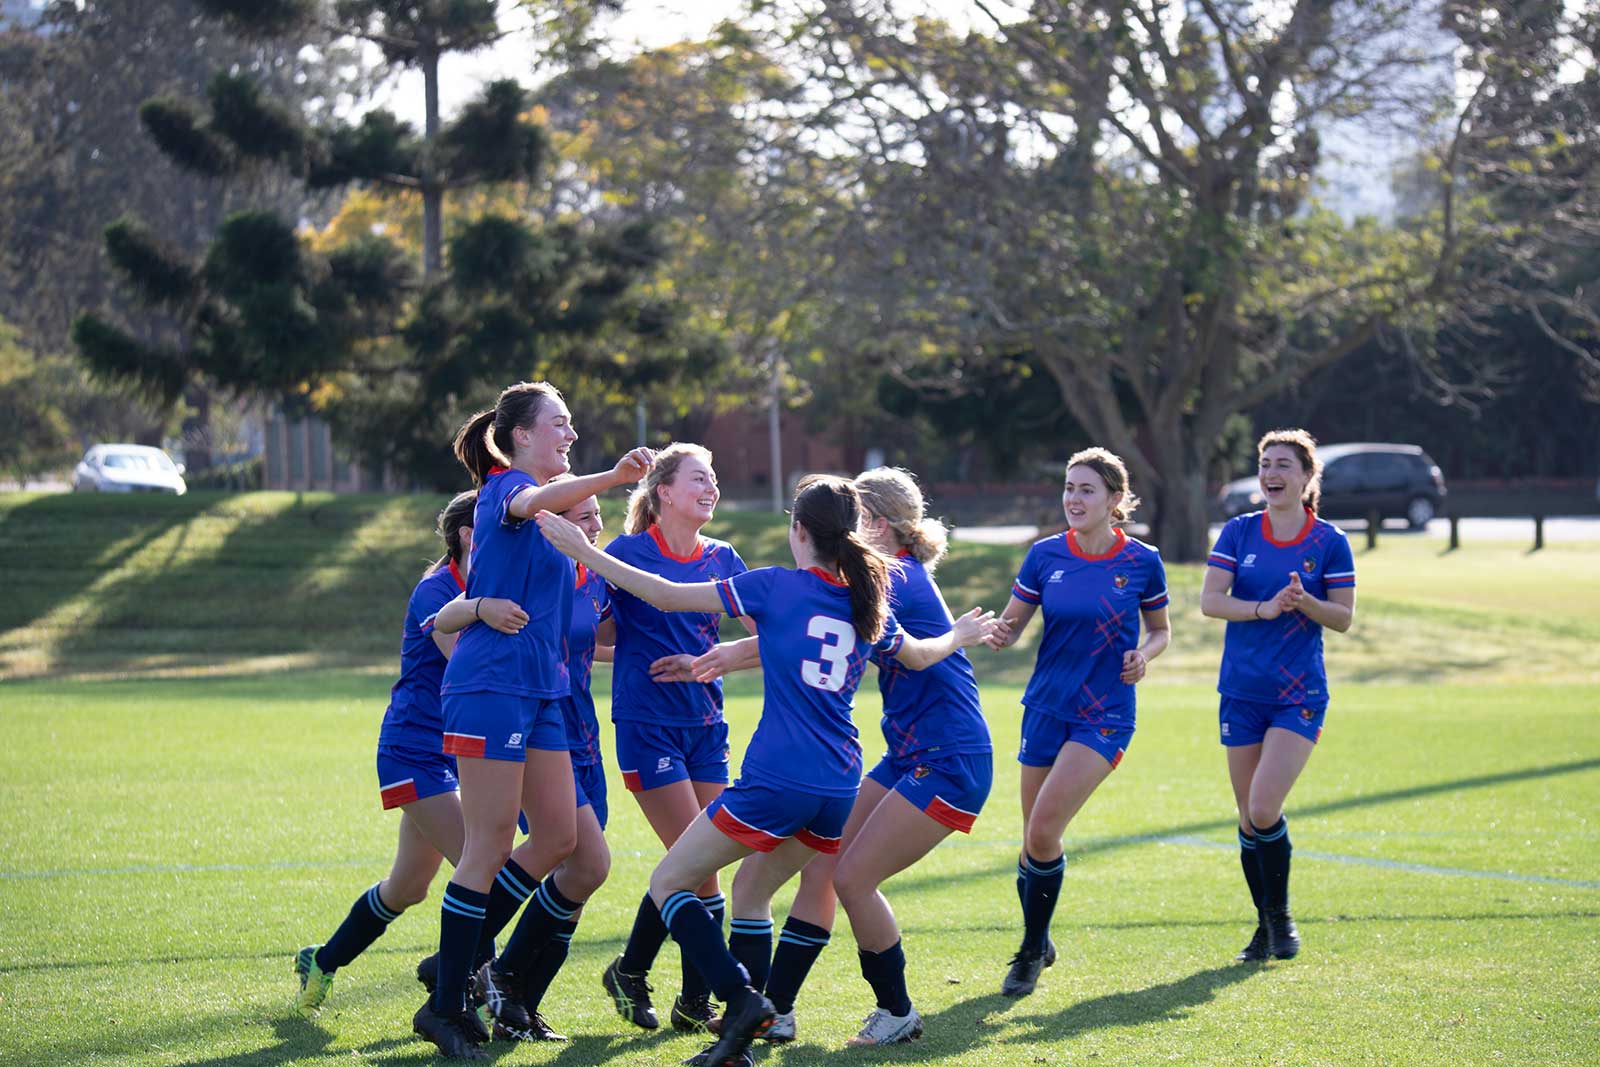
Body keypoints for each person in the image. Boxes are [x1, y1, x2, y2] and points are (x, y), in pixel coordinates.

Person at [534, 475, 1001, 1067]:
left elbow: (667, 594)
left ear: (798, 531)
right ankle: (748, 1036)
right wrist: (957, 635)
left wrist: (583, 552)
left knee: (669, 883)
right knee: (751, 890)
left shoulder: (777, 586)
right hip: (837, 785)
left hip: (778, 779)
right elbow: (914, 653)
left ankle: (742, 1001)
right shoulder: (866, 595)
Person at [684, 467, 994, 1047]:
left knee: (850, 877)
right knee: (807, 870)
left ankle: (896, 1010)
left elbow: (815, 623)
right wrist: (731, 655)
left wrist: (734, 653)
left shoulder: (888, 577)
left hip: (950, 757)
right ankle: (776, 1009)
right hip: (909, 753)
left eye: (853, 517)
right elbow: (815, 629)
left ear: (874, 524)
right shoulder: (874, 579)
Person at [411, 380, 654, 1060]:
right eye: (560, 423)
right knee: (487, 844)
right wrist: (616, 473)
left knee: (556, 836)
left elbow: (574, 537)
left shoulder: (556, 522)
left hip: (541, 691)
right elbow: (534, 499)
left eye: (573, 424)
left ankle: (451, 971)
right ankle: (446, 1004)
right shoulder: (502, 490)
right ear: (518, 436)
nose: (570, 434)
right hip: (491, 685)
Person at [293, 491, 527, 1015]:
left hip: (457, 750)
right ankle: (475, 990)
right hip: (415, 749)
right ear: (471, 535)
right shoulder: (437, 591)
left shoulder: (487, 587)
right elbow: (465, 663)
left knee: (409, 887)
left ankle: (323, 960)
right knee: (484, 862)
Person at [420, 482, 616, 1041]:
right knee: (509, 849)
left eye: (598, 516)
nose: (594, 525)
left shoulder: (587, 572)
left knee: (578, 858)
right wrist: (480, 607)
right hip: (504, 703)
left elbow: (608, 632)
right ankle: (465, 986)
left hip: (563, 719)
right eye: (582, 516)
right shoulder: (522, 532)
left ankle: (491, 980)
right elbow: (441, 619)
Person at [985, 447, 1170, 997]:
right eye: (1069, 488)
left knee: (1044, 830)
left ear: (1115, 500)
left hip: (1105, 714)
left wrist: (1146, 654)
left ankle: (1027, 952)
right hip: (1045, 707)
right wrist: (1000, 633)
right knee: (1032, 842)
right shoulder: (1044, 556)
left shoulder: (1142, 561)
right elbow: (1015, 622)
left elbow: (1160, 631)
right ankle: (1040, 940)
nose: (1073, 498)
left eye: (1086, 489)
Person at [595, 443, 754, 1034]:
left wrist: (708, 662)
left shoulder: (724, 557)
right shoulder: (628, 554)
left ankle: (640, 975)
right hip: (646, 724)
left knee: (697, 863)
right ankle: (688, 993)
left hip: (707, 727)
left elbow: (771, 639)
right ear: (663, 491)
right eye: (698, 479)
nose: (711, 488)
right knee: (700, 868)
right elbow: (596, 631)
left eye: (715, 479)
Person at [1200, 428, 1355, 961]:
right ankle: (1264, 927)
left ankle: (1282, 919)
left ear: (1308, 477)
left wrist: (1305, 602)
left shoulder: (1329, 541)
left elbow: (1344, 618)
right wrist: (1264, 607)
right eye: (1266, 463)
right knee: (1248, 818)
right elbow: (1211, 602)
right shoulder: (1239, 533)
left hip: (1298, 695)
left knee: (1264, 807)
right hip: (1241, 692)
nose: (1272, 473)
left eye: (1284, 464)